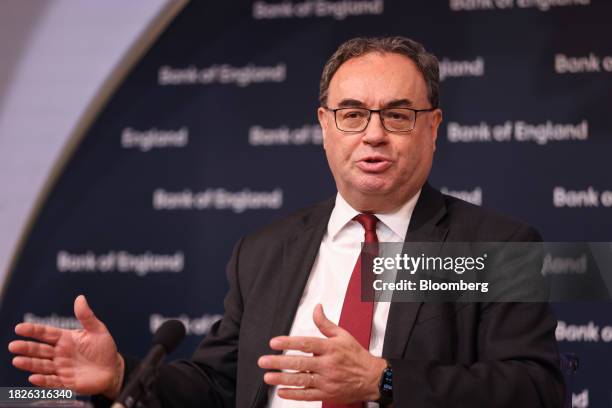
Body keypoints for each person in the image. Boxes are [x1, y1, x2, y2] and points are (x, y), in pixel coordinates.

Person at [8, 36, 565, 407]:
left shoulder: (495, 245)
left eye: (397, 114)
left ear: (432, 127)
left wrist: (382, 379)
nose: (374, 133)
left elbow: (537, 389)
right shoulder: (265, 251)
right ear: (324, 126)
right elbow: (219, 384)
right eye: (352, 114)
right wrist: (122, 375)